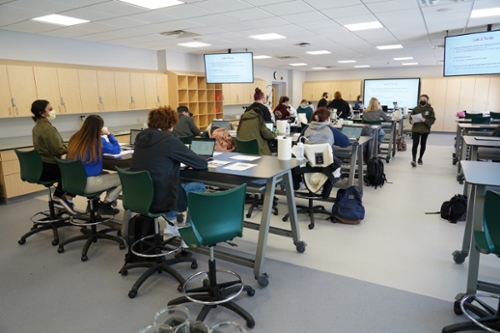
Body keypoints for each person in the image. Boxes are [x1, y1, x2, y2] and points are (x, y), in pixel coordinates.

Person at [131, 106, 207, 237]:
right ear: (171, 123)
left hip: (141, 194)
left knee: (171, 182)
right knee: (199, 187)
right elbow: (201, 163)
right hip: (160, 196)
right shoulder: (168, 140)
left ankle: (171, 226)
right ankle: (190, 232)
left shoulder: (141, 137)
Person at [67, 115, 121, 215]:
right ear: (99, 128)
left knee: (106, 174)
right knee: (123, 177)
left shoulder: (74, 138)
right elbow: (116, 149)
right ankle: (106, 204)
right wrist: (109, 134)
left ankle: (93, 203)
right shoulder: (98, 141)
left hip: (73, 182)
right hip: (88, 183)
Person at [31, 99, 76, 215]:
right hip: (49, 167)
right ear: (42, 113)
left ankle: (57, 197)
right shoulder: (48, 129)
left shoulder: (36, 127)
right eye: (50, 109)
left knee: (68, 170)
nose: (53, 111)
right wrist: (72, 148)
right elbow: (58, 150)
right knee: (75, 172)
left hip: (40, 167)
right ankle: (62, 198)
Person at [409, 94, 436, 167]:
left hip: (425, 130)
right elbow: (410, 118)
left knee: (423, 144)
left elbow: (432, 120)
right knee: (415, 144)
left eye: (424, 100)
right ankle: (413, 159)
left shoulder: (430, 109)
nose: (422, 101)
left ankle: (420, 158)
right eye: (421, 100)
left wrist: (425, 120)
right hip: (416, 129)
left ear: (427, 101)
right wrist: (411, 121)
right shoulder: (415, 109)